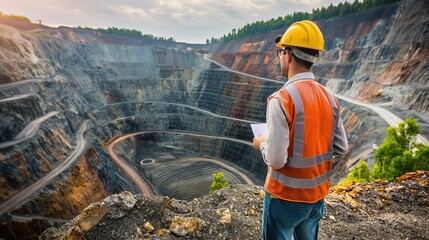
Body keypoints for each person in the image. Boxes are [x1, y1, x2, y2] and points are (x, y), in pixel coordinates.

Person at [252, 20, 348, 240]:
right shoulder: (330, 98)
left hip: (285, 198)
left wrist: (262, 143)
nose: (280, 58)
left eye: (280, 52)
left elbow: (276, 159)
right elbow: (341, 147)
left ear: (287, 53)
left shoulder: (281, 99)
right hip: (316, 196)